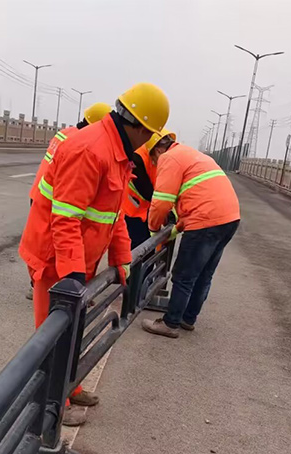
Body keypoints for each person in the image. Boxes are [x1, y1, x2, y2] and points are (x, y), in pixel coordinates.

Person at [19, 83, 170, 425]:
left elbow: (113, 215)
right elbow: (65, 218)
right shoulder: (90, 150)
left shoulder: (117, 154)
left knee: (72, 330)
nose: (148, 142)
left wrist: (121, 259)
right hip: (55, 258)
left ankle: (70, 386)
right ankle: (52, 409)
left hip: (78, 258)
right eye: (150, 135)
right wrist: (72, 277)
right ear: (140, 127)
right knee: (53, 334)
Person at [141, 142, 240, 338]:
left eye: (153, 160)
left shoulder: (169, 158)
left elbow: (161, 202)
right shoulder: (193, 156)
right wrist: (177, 228)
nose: (155, 164)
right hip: (230, 218)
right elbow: (196, 197)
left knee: (184, 275)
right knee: (204, 273)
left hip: (205, 220)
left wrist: (153, 229)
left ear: (158, 150)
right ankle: (188, 318)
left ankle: (170, 323)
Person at [25, 102, 112, 300]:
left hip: (40, 192)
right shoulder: (83, 142)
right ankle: (43, 288)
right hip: (54, 195)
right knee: (50, 246)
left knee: (41, 242)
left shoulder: (64, 134)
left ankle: (37, 285)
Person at [121, 128, 176, 249]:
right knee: (138, 249)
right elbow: (146, 190)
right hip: (133, 211)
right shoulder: (137, 157)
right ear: (158, 150)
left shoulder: (159, 158)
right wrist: (165, 209)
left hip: (149, 209)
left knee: (149, 247)